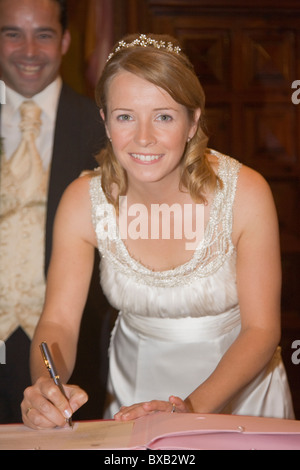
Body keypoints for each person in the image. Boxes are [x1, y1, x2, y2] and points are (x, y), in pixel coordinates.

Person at [21, 33, 294, 429]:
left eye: (163, 116)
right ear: (106, 120)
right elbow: (59, 321)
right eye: (125, 116)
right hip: (134, 393)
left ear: (192, 121)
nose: (143, 137)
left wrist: (189, 409)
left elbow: (261, 329)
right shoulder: (82, 201)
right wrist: (46, 384)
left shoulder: (246, 194)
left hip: (241, 395)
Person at [0, 0, 111, 423]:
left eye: (43, 34)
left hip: (73, 354)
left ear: (64, 40)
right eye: (13, 33)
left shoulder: (106, 128)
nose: (29, 50)